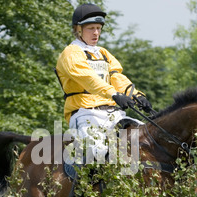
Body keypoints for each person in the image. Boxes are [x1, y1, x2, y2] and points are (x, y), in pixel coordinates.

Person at [55, 3, 153, 164]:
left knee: (148, 137)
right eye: (91, 28)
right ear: (78, 29)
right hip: (85, 113)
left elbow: (117, 77)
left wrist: (137, 96)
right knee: (98, 152)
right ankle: (80, 188)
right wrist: (113, 94)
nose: (96, 33)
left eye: (99, 28)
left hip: (112, 114)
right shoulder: (71, 53)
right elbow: (89, 79)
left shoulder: (103, 53)